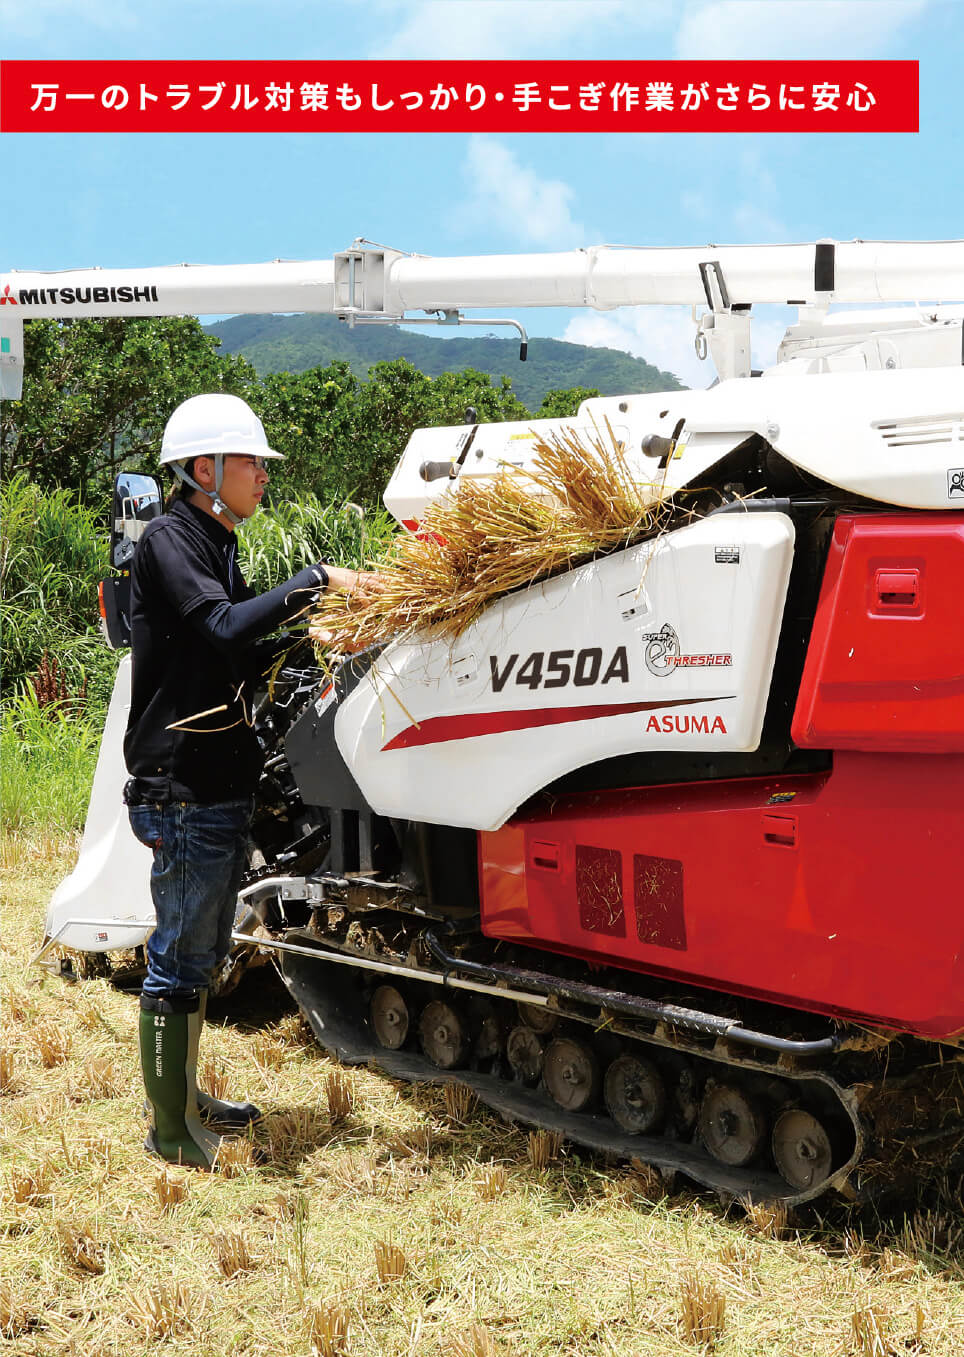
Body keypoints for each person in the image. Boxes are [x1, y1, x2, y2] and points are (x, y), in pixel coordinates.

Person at [124, 392, 379, 1168]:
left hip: (214, 782)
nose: (264, 475)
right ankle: (169, 1131)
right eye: (252, 463)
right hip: (182, 785)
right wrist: (315, 580)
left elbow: (233, 652)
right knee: (176, 956)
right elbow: (227, 627)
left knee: (199, 954)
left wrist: (315, 628)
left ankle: (188, 1099)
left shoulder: (215, 539)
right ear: (207, 469)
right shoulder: (171, 540)